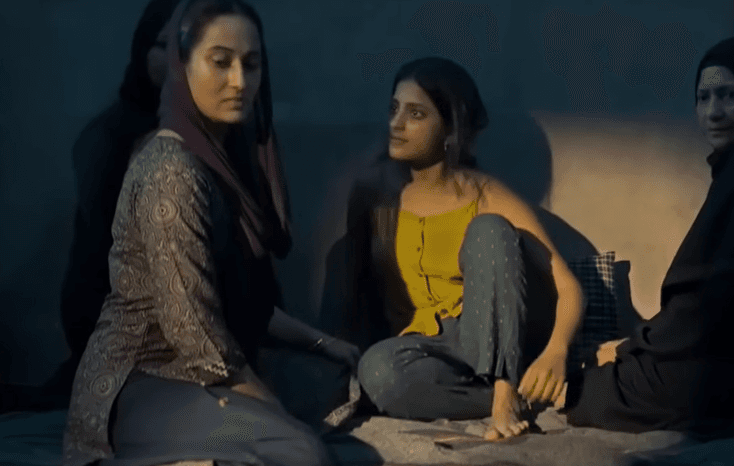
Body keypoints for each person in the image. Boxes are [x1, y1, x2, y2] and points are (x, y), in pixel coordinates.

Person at [62, 0, 357, 464]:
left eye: (251, 64)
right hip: (144, 381)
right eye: (220, 62)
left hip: (203, 370)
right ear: (182, 66)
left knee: (335, 386)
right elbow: (194, 334)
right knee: (298, 449)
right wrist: (272, 409)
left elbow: (244, 301)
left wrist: (324, 343)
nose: (239, 81)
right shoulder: (171, 170)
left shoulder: (216, 164)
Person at [565, 36, 734, 435]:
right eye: (703, 98)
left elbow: (720, 302)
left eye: (730, 96)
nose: (713, 113)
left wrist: (634, 344)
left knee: (601, 391)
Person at [349, 57, 585, 441]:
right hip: (422, 353)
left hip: (486, 339)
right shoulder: (373, 194)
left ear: (450, 129)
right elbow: (349, 286)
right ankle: (520, 398)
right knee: (376, 371)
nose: (396, 123)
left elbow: (568, 287)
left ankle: (506, 392)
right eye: (394, 109)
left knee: (490, 230)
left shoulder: (486, 193)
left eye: (416, 114)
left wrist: (556, 352)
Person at [45, 0, 181, 410]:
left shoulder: (224, 138)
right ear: (143, 50)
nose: (175, 59)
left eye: (187, 45)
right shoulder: (108, 139)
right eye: (163, 45)